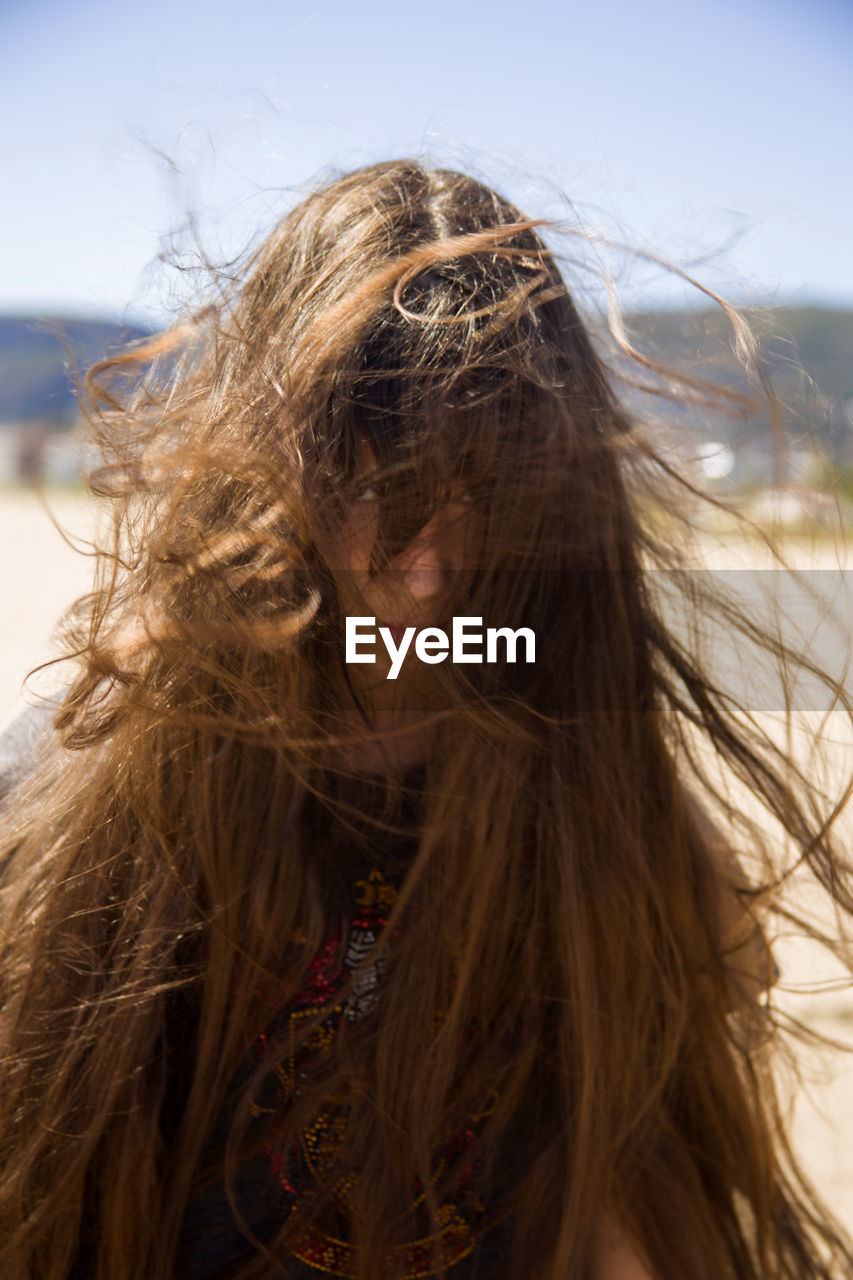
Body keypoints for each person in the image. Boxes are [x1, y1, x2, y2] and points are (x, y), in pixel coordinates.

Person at [0, 159, 851, 1280]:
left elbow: (639, 1126)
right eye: (373, 487)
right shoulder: (102, 765)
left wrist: (662, 869)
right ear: (276, 466)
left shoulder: (569, 751)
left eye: (483, 499)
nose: (424, 567)